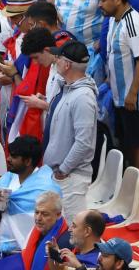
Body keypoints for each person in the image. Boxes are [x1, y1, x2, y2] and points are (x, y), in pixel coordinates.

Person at [95, 0, 139, 186]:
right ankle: (131, 186)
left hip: (133, 97)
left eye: (102, 0)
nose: (99, 4)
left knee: (138, 144)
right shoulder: (113, 20)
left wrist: (133, 93)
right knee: (128, 143)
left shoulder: (133, 22)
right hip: (120, 94)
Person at [41, 40, 98, 220]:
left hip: (70, 180)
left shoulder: (83, 98)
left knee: (73, 235)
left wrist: (63, 171)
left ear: (66, 65)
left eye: (58, 58)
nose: (55, 61)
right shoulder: (66, 89)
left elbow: (84, 143)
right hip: (59, 176)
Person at [0, 135, 61, 256]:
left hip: (31, 252)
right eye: (9, 155)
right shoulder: (6, 180)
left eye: (14, 157)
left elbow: (51, 224)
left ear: (28, 161)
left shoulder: (47, 188)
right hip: (1, 253)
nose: (8, 159)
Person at [23, 192, 68, 270]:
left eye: (45, 214)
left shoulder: (66, 241)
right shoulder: (34, 233)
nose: (38, 218)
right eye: (37, 212)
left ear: (58, 215)